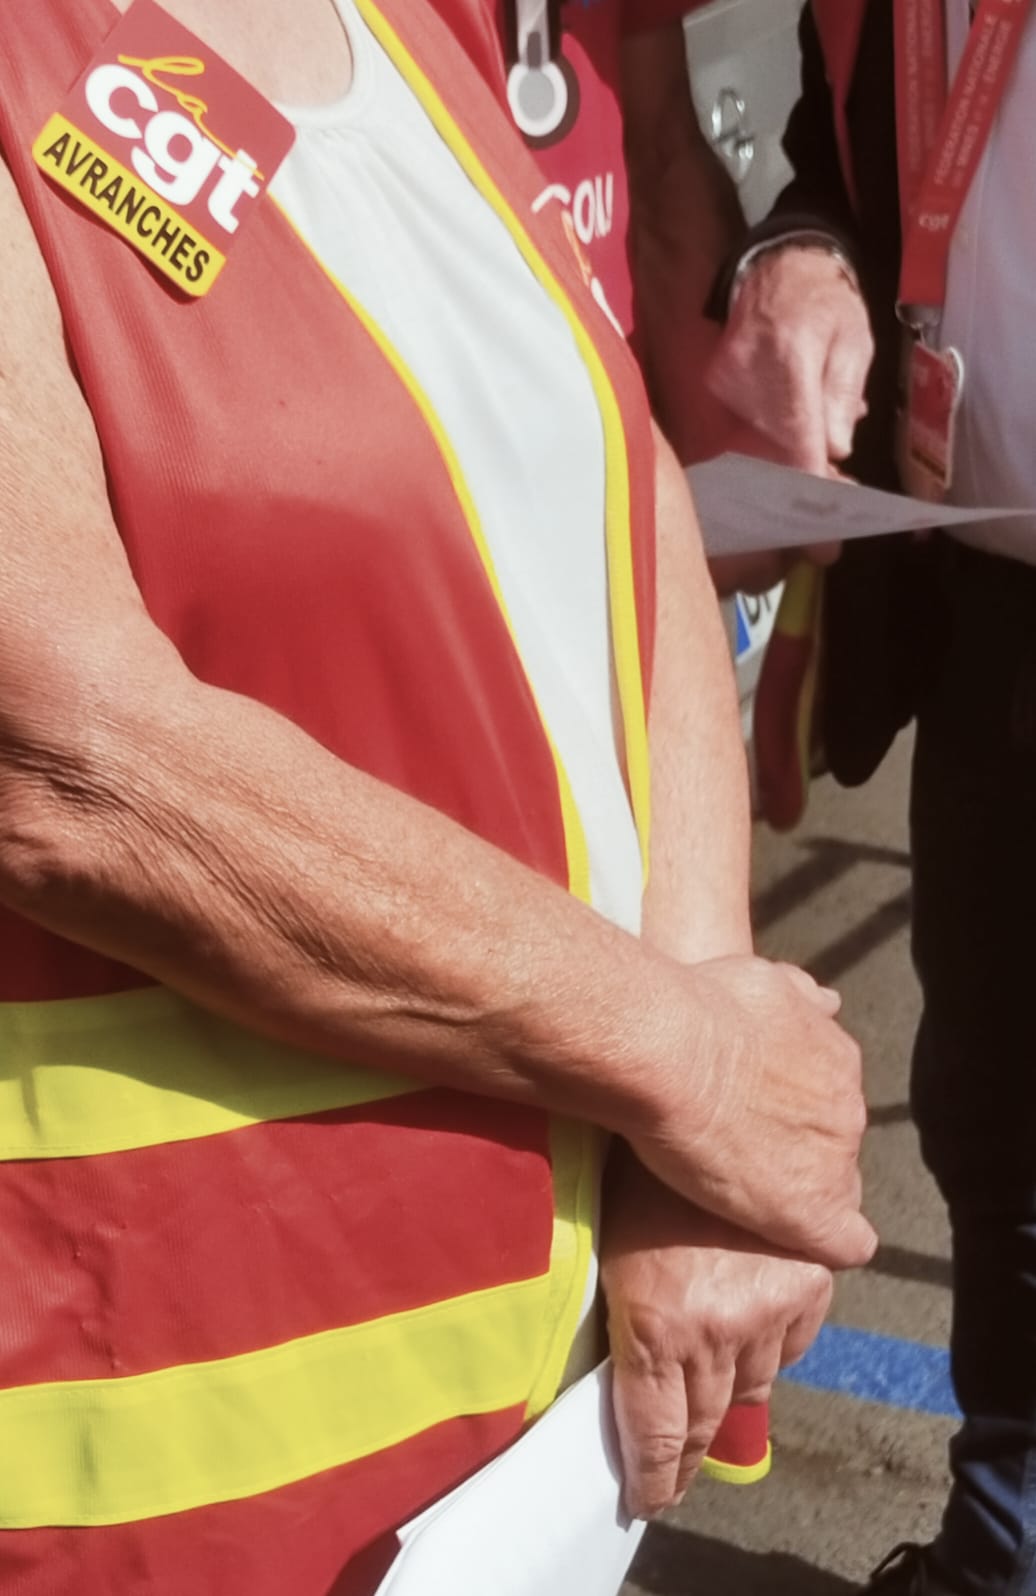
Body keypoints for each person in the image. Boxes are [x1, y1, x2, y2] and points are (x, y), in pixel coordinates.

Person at [0, 0, 873, 1592]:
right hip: (167, 1439)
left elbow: (631, 491)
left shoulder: (401, 23)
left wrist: (700, 1103)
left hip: (532, 1434)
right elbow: (61, 755)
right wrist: (685, 1060)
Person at [705, 2, 1036, 1592]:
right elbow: (864, 158)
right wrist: (811, 253)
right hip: (987, 613)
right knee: (997, 1114)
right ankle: (1005, 1539)